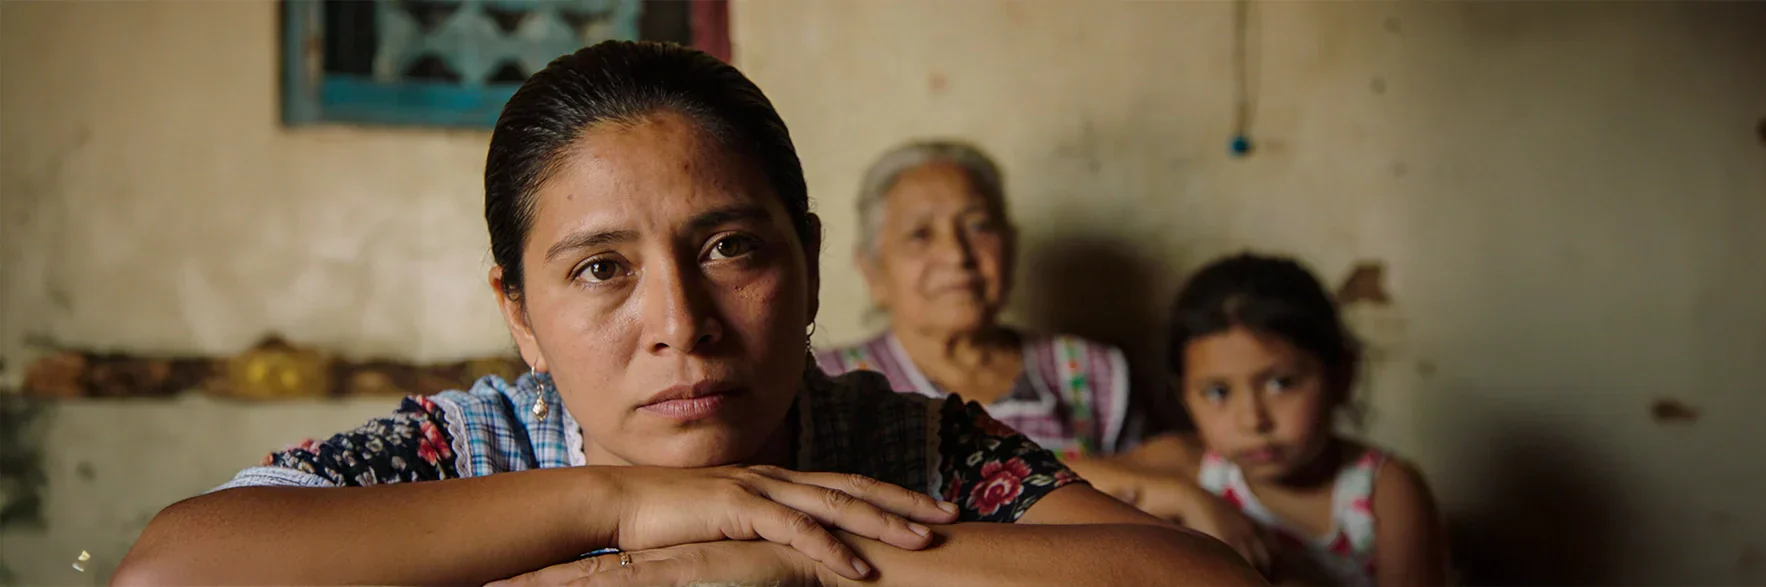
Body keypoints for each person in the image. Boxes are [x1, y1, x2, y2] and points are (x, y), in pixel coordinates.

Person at [110, 42, 1262, 587]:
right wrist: (616, 502)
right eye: (599, 268)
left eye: (727, 247)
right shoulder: (465, 449)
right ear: (518, 313)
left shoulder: (910, 447)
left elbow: (1202, 581)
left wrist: (805, 558)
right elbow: (169, 573)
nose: (680, 321)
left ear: (810, 265)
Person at [1066, 254, 1449, 586]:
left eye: (1281, 384)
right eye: (1218, 392)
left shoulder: (1381, 488)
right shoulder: (1192, 465)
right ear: (1185, 396)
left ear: (1341, 377)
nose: (1253, 420)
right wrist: (1186, 498)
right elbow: (1047, 479)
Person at [815, 140, 1139, 459]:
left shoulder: (1091, 371)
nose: (957, 254)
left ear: (1010, 246)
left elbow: (1154, 480)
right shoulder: (826, 384)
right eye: (920, 234)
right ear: (873, 270)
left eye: (978, 226)